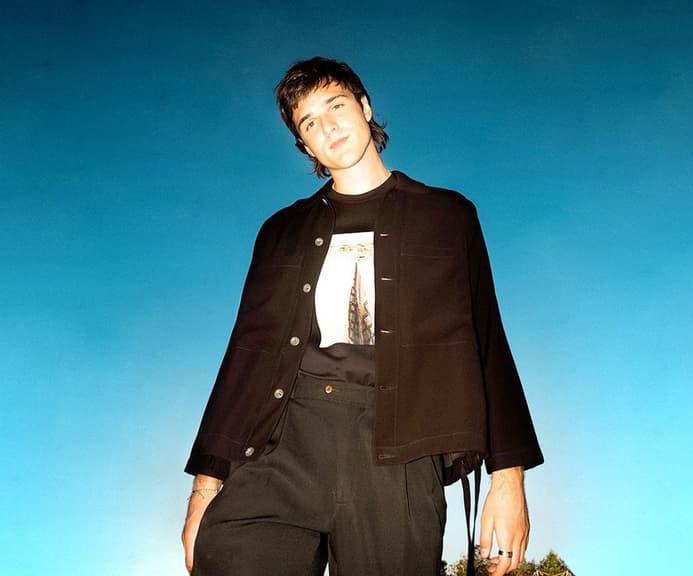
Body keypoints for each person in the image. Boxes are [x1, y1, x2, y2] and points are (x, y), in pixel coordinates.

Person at [181, 56, 543, 576]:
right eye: (309, 122)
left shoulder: (447, 216)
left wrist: (508, 482)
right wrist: (204, 492)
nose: (327, 127)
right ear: (304, 145)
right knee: (230, 556)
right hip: (284, 438)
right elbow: (245, 355)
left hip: (399, 448)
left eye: (336, 106)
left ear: (365, 107)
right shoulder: (280, 231)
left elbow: (488, 343)